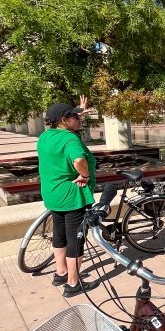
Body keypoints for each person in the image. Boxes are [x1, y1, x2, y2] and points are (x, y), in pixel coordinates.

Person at [37, 101, 96, 297]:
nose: (79, 119)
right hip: (72, 196)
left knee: (59, 234)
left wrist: (80, 111)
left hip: (53, 194)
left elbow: (66, 124)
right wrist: (86, 176)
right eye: (75, 117)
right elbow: (79, 160)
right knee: (76, 239)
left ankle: (60, 272)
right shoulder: (70, 140)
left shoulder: (45, 136)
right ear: (63, 120)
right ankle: (73, 284)